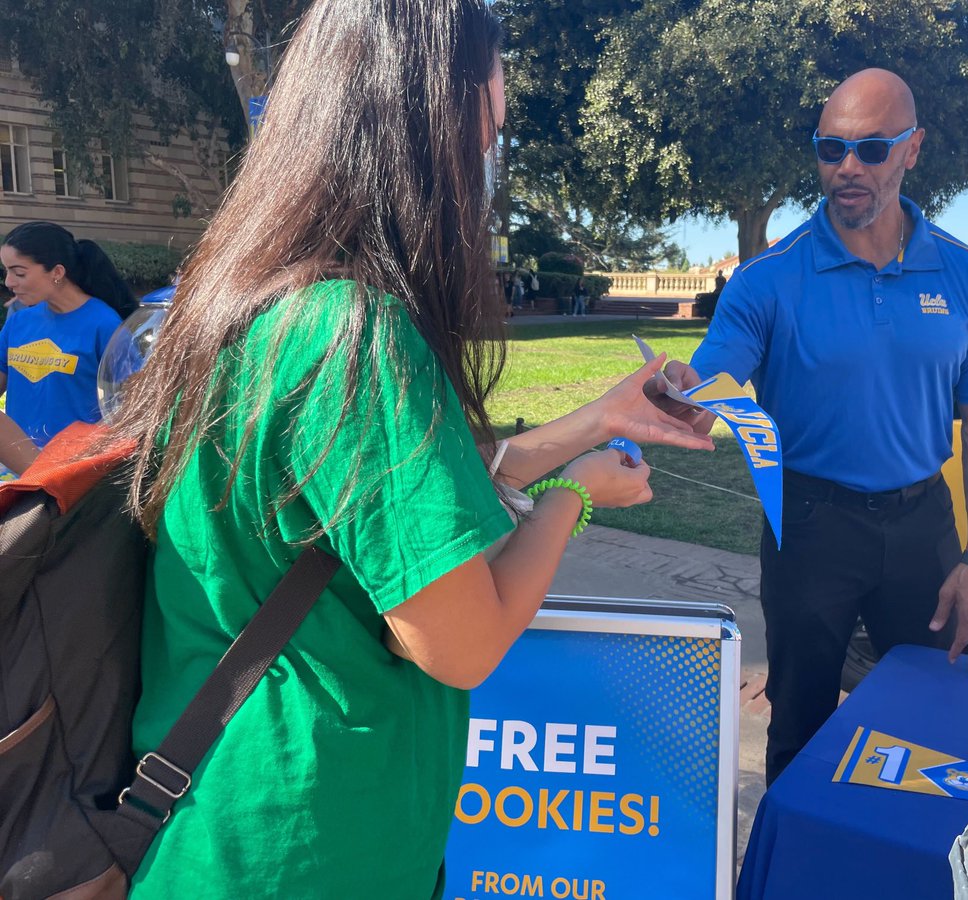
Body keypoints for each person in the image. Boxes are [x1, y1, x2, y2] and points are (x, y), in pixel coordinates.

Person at [101, 1, 712, 896]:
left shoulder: (249, 305)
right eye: (489, 131)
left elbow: (385, 511)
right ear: (430, 126)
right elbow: (462, 644)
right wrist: (575, 495)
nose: (488, 167)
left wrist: (598, 419)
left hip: (220, 823)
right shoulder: (357, 335)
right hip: (310, 849)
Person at [659, 68, 968, 785]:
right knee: (800, 727)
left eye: (872, 149)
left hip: (923, 525)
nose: (848, 167)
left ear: (912, 149)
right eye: (831, 149)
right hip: (809, 526)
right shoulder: (768, 279)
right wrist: (682, 393)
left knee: (933, 725)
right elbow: (710, 381)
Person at [0, 221, 137, 449]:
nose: (9, 282)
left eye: (19, 273)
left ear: (57, 272)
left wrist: (81, 453)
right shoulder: (19, 321)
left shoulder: (105, 325)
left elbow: (129, 406)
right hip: (18, 462)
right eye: (7, 271)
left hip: (76, 464)